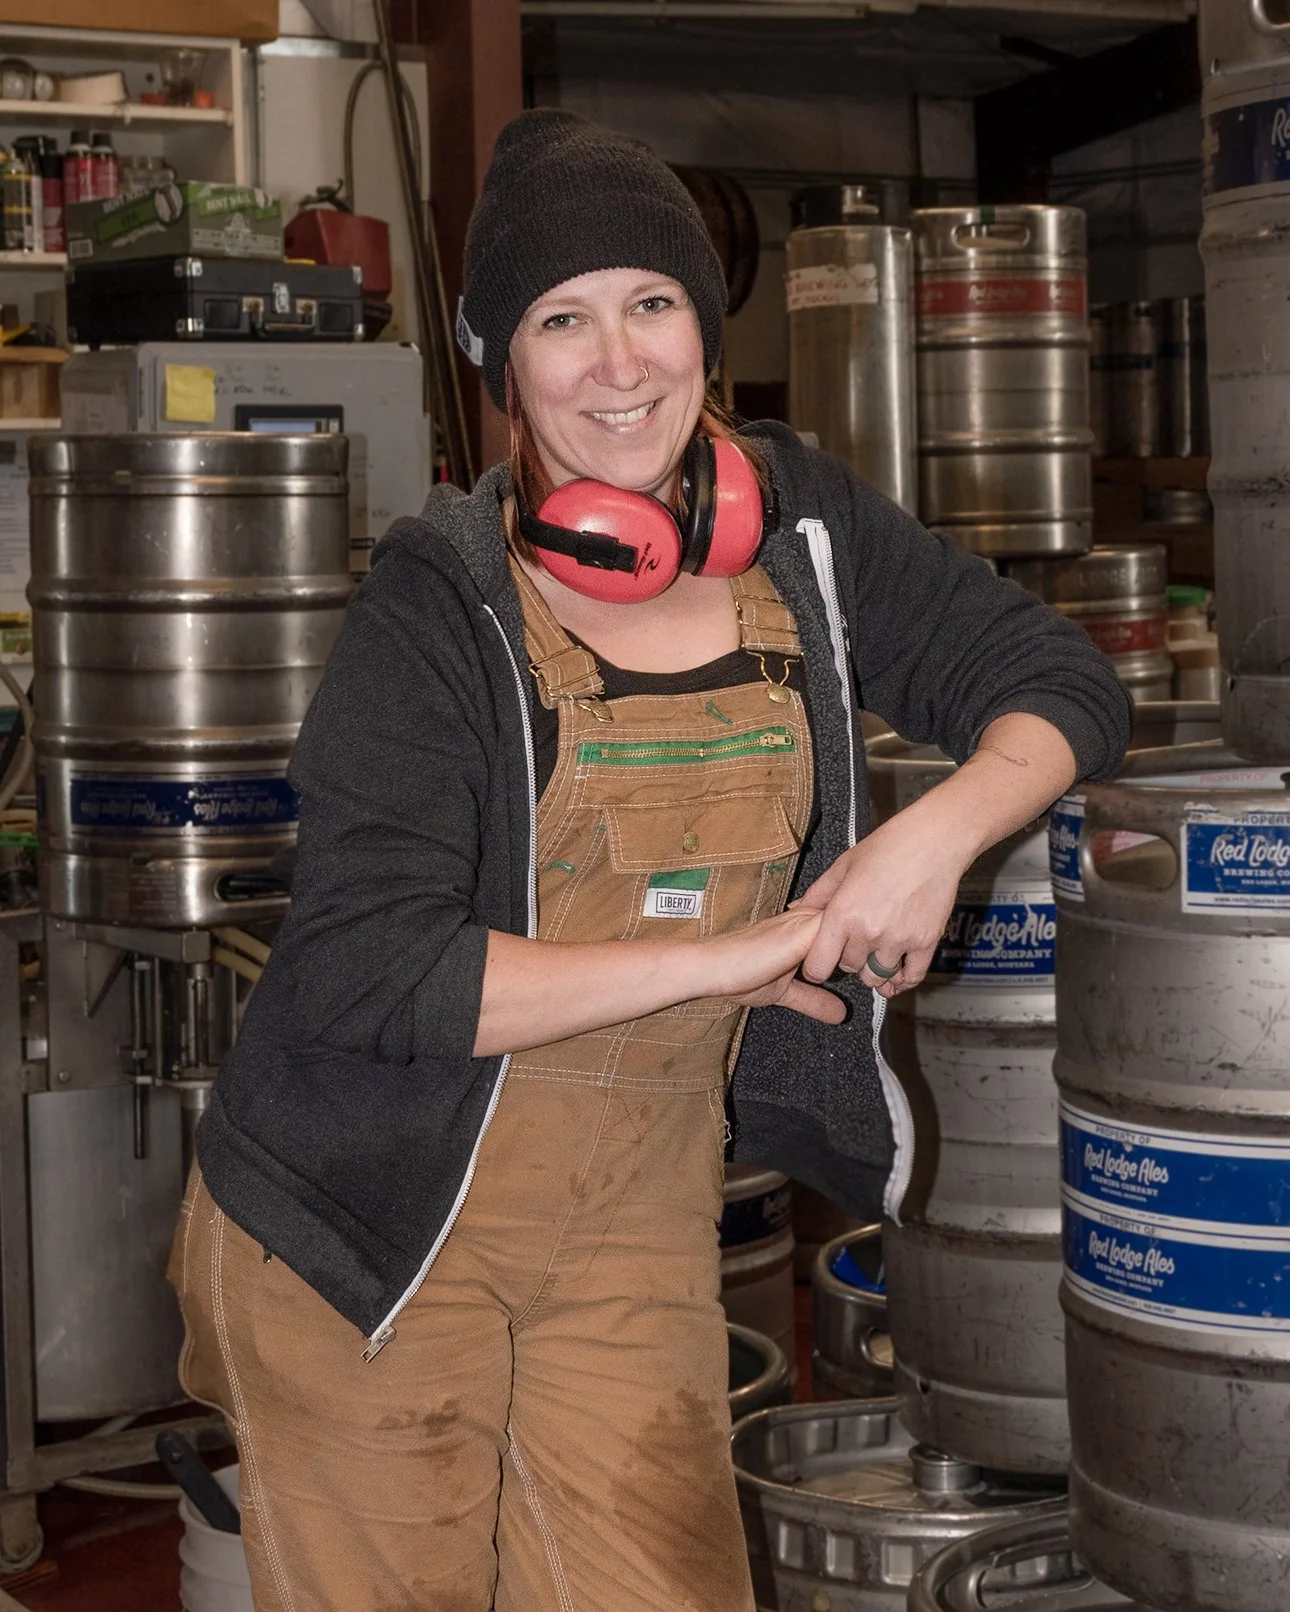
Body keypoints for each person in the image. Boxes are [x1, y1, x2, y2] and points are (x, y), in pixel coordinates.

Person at [170, 110, 1132, 1612]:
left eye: (652, 303)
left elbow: (1058, 683)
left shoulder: (800, 527)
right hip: (366, 1232)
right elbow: (371, 971)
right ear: (502, 360)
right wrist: (738, 953)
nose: (619, 364)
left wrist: (931, 837)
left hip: (630, 1219)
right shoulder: (439, 606)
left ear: (702, 324)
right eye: (563, 319)